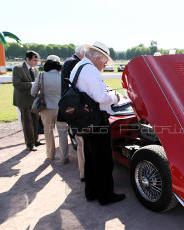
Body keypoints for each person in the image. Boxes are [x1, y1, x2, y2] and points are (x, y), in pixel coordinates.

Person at [69, 41, 125, 206]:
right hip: (96, 120)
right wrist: (116, 97)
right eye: (104, 61)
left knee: (91, 158)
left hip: (85, 120)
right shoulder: (90, 70)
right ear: (98, 57)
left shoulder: (78, 67)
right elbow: (102, 97)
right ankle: (105, 196)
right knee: (103, 160)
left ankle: (91, 192)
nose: (105, 64)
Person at [60, 44, 87, 180]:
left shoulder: (68, 62)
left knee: (80, 142)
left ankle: (83, 173)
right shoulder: (76, 63)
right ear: (82, 53)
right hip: (77, 107)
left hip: (70, 106)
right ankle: (84, 173)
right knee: (83, 143)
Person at [31, 55, 62, 160]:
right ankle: (64, 157)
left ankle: (50, 155)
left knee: (48, 132)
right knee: (63, 133)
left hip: (46, 108)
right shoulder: (62, 77)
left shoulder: (41, 76)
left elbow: (33, 92)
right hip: (61, 109)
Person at [13, 50, 45, 151]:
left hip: (34, 100)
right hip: (23, 100)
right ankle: (30, 144)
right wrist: (32, 84)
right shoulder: (17, 68)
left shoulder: (35, 70)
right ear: (27, 59)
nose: (36, 62)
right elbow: (16, 83)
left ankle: (35, 141)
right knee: (27, 122)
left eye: (37, 60)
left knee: (36, 121)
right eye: (35, 60)